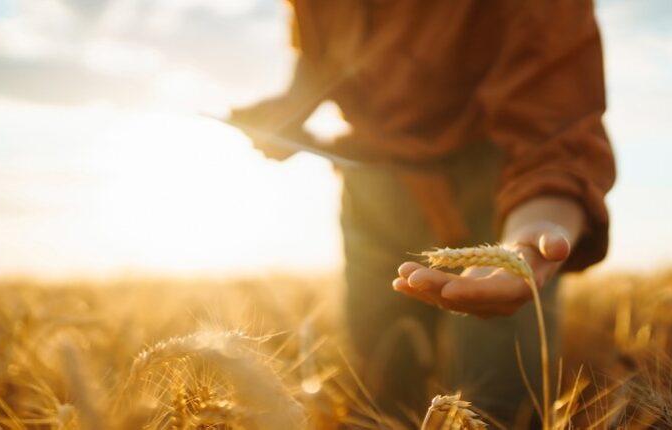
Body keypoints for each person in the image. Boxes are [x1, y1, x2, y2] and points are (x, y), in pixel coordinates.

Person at [230, 0, 616, 426]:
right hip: (371, 186)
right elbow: (322, 53)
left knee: (496, 404)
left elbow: (556, 129)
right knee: (379, 391)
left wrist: (531, 232)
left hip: (498, 192)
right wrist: (289, 110)